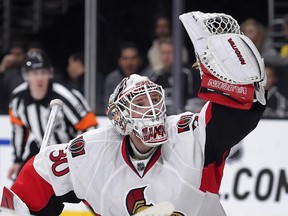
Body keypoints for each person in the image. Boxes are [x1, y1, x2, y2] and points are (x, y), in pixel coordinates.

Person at [2, 11, 266, 216]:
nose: (151, 109)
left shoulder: (190, 137)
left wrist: (235, 82)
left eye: (155, 99)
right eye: (140, 103)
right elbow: (39, 173)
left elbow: (237, 112)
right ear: (120, 118)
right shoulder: (93, 151)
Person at [7, 50, 99, 180]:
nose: (39, 78)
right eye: (34, 73)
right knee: (21, 187)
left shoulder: (65, 96)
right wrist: (17, 160)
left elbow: (90, 126)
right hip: (41, 150)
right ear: (26, 75)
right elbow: (19, 129)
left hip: (68, 154)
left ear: (49, 73)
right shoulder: (18, 99)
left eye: (43, 73)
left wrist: (82, 158)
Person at [153, 37, 202, 114]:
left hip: (185, 119)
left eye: (169, 52)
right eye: (163, 53)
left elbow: (196, 103)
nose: (166, 57)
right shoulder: (157, 77)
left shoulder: (190, 74)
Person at [104, 42, 155, 106]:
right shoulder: (112, 79)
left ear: (139, 60)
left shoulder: (151, 77)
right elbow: (108, 106)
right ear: (119, 61)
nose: (129, 63)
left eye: (133, 58)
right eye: (125, 59)